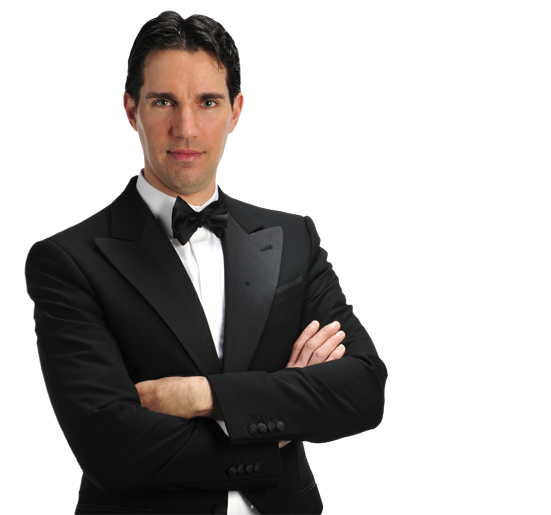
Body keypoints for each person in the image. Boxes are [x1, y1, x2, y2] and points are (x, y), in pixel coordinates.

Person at [25, 10, 387, 515]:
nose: (186, 127)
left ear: (236, 112)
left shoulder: (293, 239)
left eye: (208, 102)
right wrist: (280, 418)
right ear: (130, 110)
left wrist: (203, 396)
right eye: (164, 102)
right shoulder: (68, 261)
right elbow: (110, 448)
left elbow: (364, 391)